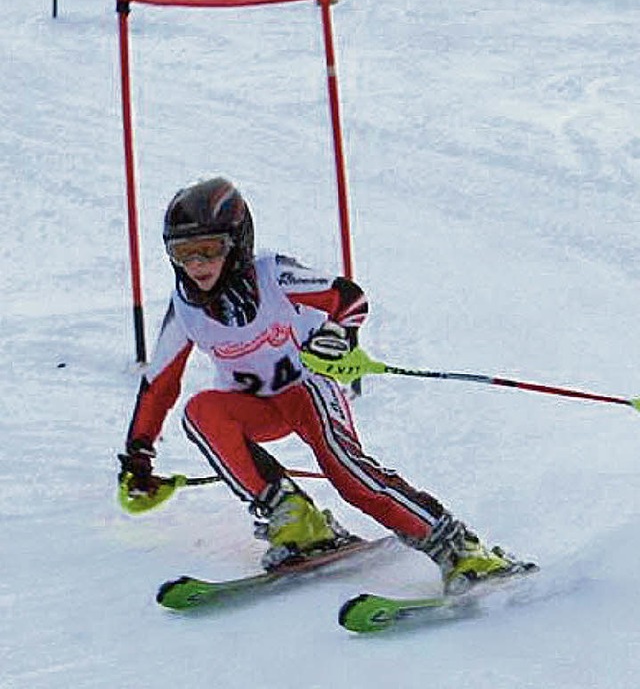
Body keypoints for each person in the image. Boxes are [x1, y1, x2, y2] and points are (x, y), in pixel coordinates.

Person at [119, 177, 533, 593]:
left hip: (307, 391)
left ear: (237, 242)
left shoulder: (272, 275)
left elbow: (348, 298)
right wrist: (138, 455)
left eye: (208, 249)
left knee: (347, 474)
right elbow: (159, 385)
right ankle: (297, 520)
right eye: (183, 253)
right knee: (201, 412)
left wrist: (339, 332)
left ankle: (460, 548)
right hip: (254, 407)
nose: (196, 264)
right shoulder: (186, 308)